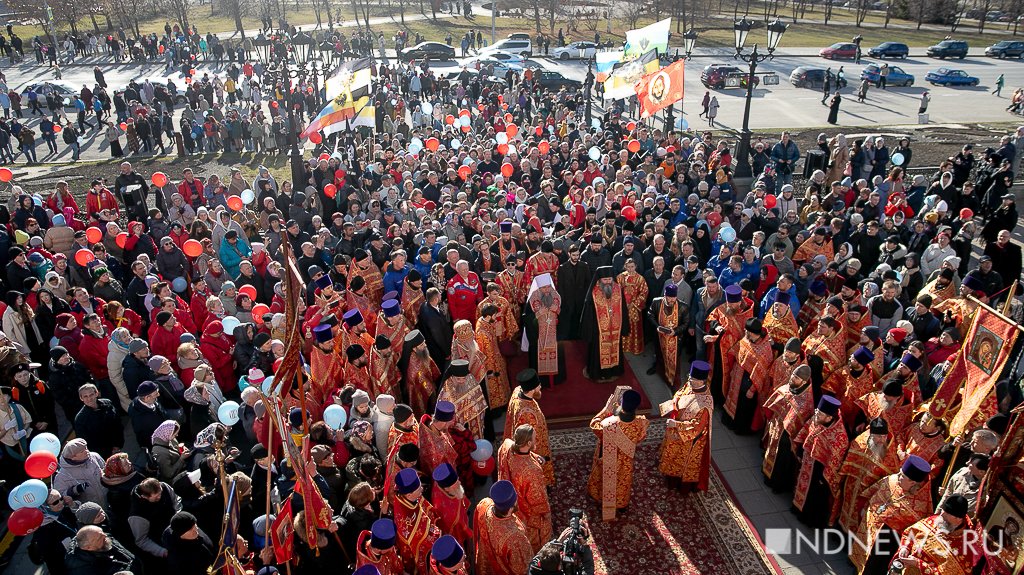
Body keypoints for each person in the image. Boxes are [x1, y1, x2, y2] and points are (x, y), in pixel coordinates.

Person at [587, 388, 648, 521]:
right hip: (626, 460)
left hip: (608, 459)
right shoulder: (641, 423)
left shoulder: (608, 424)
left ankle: (602, 500)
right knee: (622, 480)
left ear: (621, 404)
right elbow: (641, 437)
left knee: (605, 479)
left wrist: (606, 409)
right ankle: (620, 504)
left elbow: (594, 424)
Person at [792, 395, 848, 528]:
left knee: (815, 496)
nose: (816, 414)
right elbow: (806, 433)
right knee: (802, 484)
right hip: (808, 462)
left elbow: (835, 460)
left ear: (829, 418)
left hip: (820, 472)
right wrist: (800, 450)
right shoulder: (817, 419)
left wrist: (824, 477)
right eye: (817, 410)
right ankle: (797, 508)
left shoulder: (839, 436)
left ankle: (809, 519)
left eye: (820, 413)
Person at [658, 361, 714, 492]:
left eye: (693, 379)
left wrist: (676, 424)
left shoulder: (705, 403)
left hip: (688, 440)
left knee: (678, 460)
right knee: (670, 454)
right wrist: (673, 404)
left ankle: (678, 484)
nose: (689, 380)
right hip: (676, 428)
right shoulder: (690, 385)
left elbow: (697, 428)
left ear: (701, 382)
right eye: (689, 376)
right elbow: (679, 394)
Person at [497, 424, 552, 552]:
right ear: (528, 442)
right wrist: (547, 514)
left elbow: (508, 444)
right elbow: (538, 499)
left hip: (511, 503)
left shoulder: (507, 446)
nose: (536, 440)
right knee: (538, 533)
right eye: (534, 439)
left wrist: (532, 455)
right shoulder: (532, 470)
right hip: (527, 511)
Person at [473, 480, 534, 575]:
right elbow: (523, 569)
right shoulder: (516, 538)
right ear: (510, 508)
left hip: (486, 564)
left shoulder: (484, 505)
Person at [504, 369, 553, 485]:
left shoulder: (518, 391)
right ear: (532, 390)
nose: (540, 386)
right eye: (538, 385)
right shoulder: (527, 414)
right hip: (535, 446)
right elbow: (527, 441)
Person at [580, 267, 628, 382]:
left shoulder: (617, 289)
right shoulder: (593, 291)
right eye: (605, 280)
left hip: (615, 329)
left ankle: (614, 371)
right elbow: (588, 313)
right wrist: (590, 329)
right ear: (600, 280)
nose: (607, 282)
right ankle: (598, 372)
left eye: (609, 279)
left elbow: (623, 308)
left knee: (615, 348)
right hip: (598, 330)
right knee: (598, 351)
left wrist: (624, 326)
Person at [522, 273, 561, 386]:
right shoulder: (533, 299)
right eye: (544, 287)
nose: (547, 290)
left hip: (555, 337)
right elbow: (526, 318)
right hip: (538, 337)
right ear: (539, 288)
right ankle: (540, 382)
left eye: (549, 286)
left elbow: (565, 315)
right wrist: (538, 314)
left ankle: (556, 380)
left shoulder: (556, 296)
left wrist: (557, 310)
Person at [646, 283, 688, 386]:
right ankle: (660, 371)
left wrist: (676, 331)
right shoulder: (656, 302)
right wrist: (657, 326)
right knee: (659, 354)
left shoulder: (683, 306)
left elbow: (686, 323)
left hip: (675, 339)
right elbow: (650, 314)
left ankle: (674, 380)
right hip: (659, 336)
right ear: (665, 296)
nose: (671, 300)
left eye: (673, 298)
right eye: (669, 298)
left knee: (675, 361)